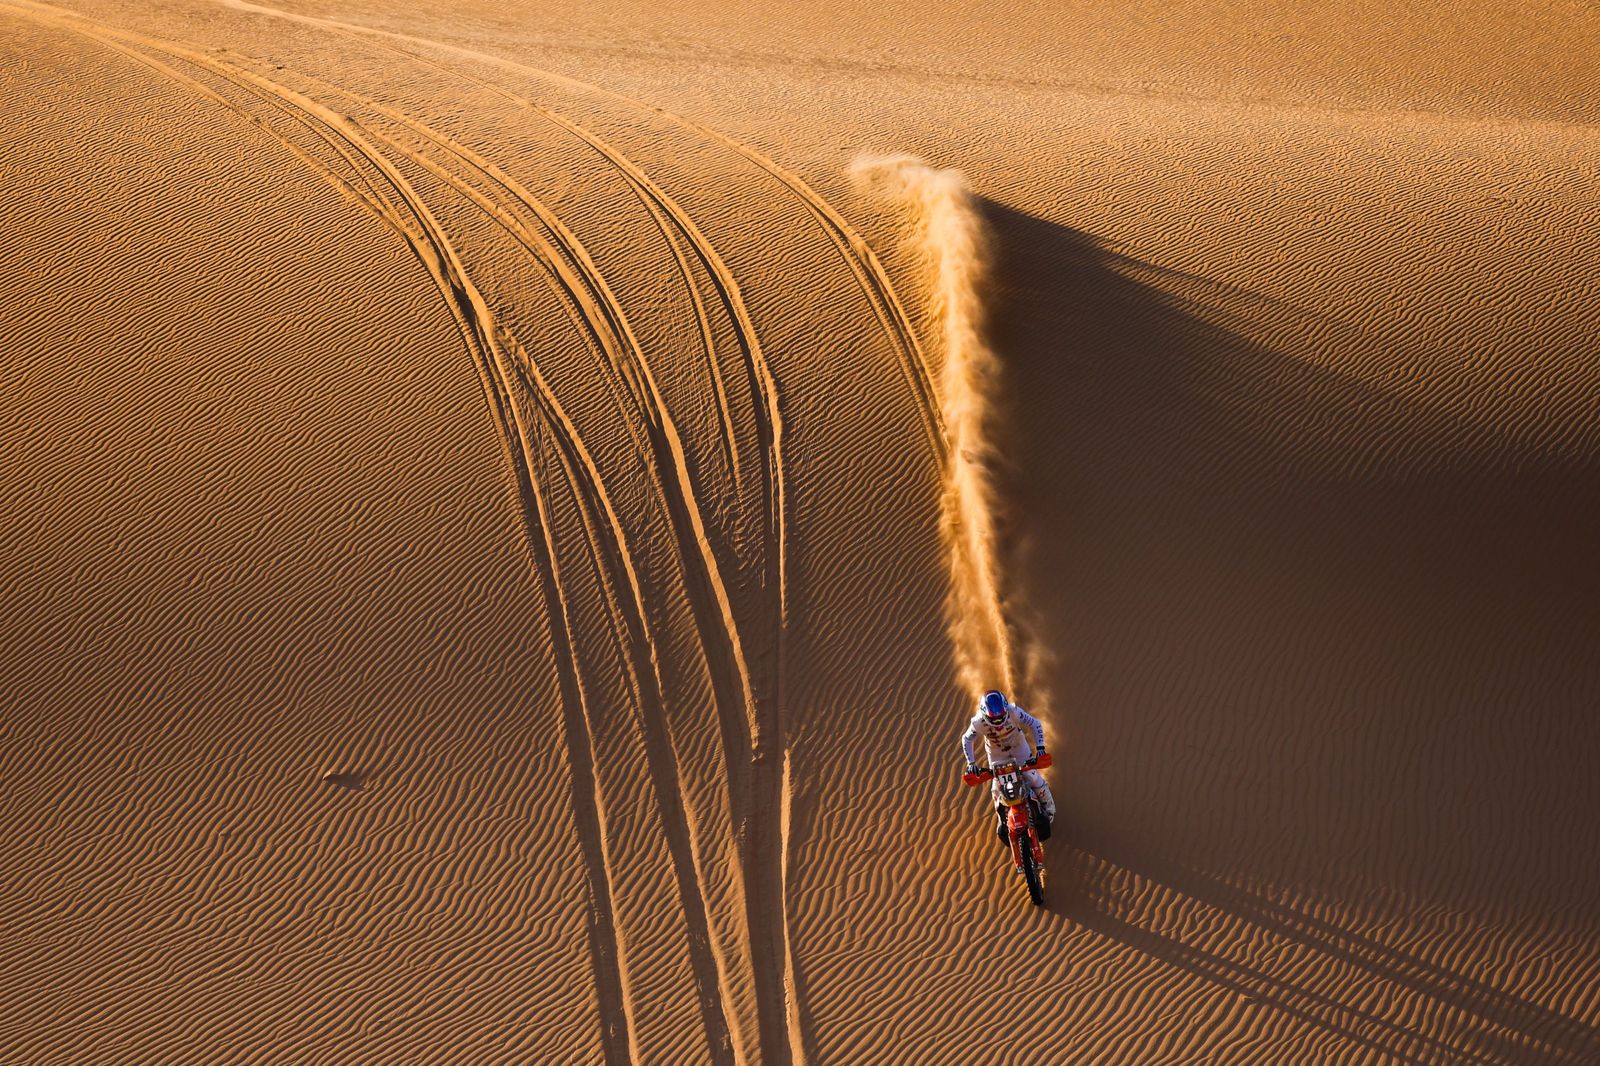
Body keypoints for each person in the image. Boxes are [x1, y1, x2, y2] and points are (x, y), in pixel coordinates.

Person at [962, 689, 1056, 844]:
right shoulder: (978, 722)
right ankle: (1003, 822)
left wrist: (1040, 748)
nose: (999, 723)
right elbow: (967, 739)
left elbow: (1035, 723)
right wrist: (971, 763)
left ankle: (1049, 809)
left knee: (1033, 778)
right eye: (994, 720)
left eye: (1001, 718)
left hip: (1019, 749)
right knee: (996, 790)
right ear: (985, 714)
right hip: (997, 755)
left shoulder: (1014, 711)